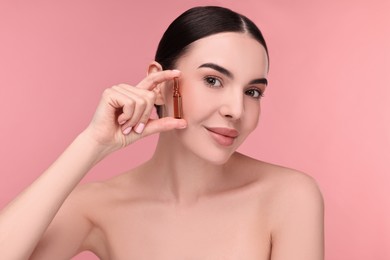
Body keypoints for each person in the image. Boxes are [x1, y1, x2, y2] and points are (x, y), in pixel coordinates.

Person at [0, 6, 324, 260]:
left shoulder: (288, 196)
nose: (236, 110)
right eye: (213, 80)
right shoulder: (98, 207)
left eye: (253, 91)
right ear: (162, 83)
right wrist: (91, 143)